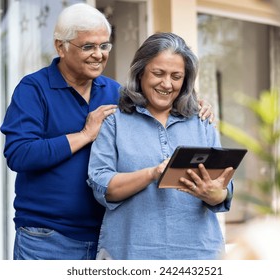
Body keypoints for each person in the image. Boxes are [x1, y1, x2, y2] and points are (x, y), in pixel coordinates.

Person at [0, 4, 213, 260]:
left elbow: (161, 97)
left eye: (104, 46)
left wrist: (195, 103)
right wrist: (84, 135)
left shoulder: (115, 92)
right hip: (47, 237)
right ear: (60, 47)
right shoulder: (33, 89)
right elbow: (20, 154)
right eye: (88, 46)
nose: (98, 54)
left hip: (106, 239)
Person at [87, 32, 235, 260]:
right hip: (132, 254)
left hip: (199, 255)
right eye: (158, 73)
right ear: (140, 72)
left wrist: (214, 193)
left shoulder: (202, 122)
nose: (167, 84)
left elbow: (223, 191)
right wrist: (153, 173)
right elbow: (102, 187)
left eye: (176, 76)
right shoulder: (114, 122)